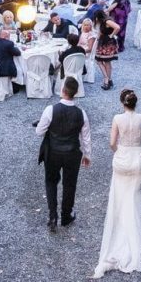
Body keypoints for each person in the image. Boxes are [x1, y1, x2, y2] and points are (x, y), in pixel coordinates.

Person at [90, 89, 141, 278]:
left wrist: (120, 151)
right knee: (134, 198)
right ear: (136, 103)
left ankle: (119, 232)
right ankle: (134, 242)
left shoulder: (118, 119)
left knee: (119, 199)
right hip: (137, 160)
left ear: (122, 103)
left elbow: (112, 143)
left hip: (123, 159)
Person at [35, 76, 92, 232]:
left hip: (53, 152)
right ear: (75, 92)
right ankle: (66, 216)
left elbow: (39, 132)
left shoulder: (50, 110)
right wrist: (87, 155)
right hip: (72, 153)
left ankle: (53, 216)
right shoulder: (82, 113)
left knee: (51, 182)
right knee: (70, 184)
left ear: (63, 90)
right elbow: (86, 138)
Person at [94, 9, 121, 90]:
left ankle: (107, 80)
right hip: (103, 42)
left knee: (106, 61)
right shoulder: (103, 22)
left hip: (108, 43)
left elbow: (117, 27)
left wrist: (111, 35)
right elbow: (101, 32)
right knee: (99, 61)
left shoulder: (107, 21)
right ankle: (108, 78)